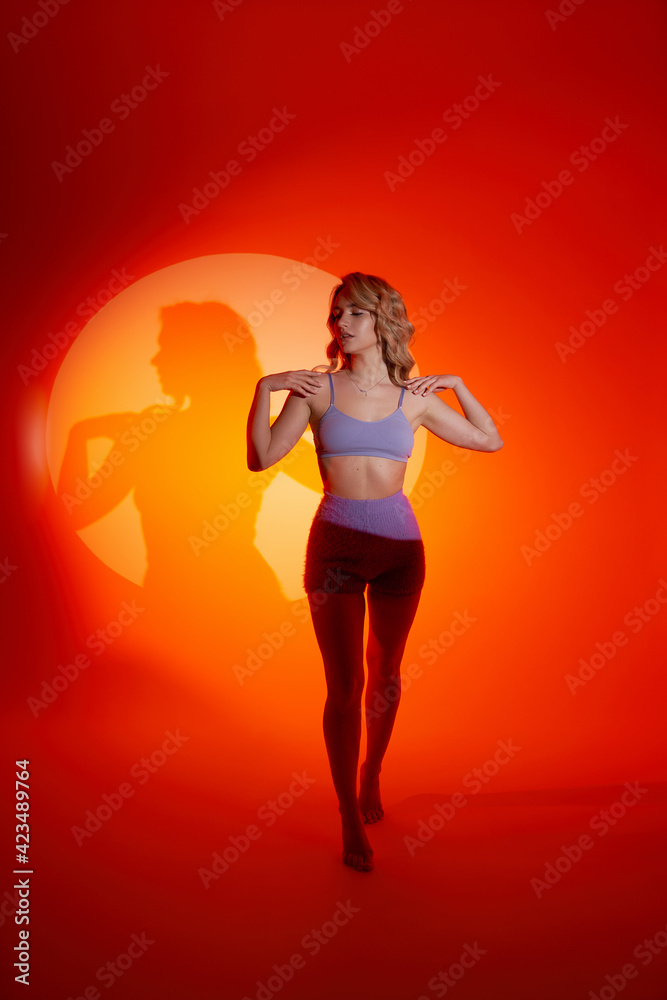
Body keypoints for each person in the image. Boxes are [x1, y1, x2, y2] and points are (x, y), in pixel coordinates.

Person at [247, 272, 503, 872]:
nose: (342, 323)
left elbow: (489, 441)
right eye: (337, 313)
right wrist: (263, 387)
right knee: (344, 689)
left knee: (385, 674)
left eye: (356, 313)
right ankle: (345, 814)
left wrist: (460, 385)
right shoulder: (314, 390)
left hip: (399, 549)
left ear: (383, 319)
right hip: (335, 545)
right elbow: (260, 458)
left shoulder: (415, 398)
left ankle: (371, 776)